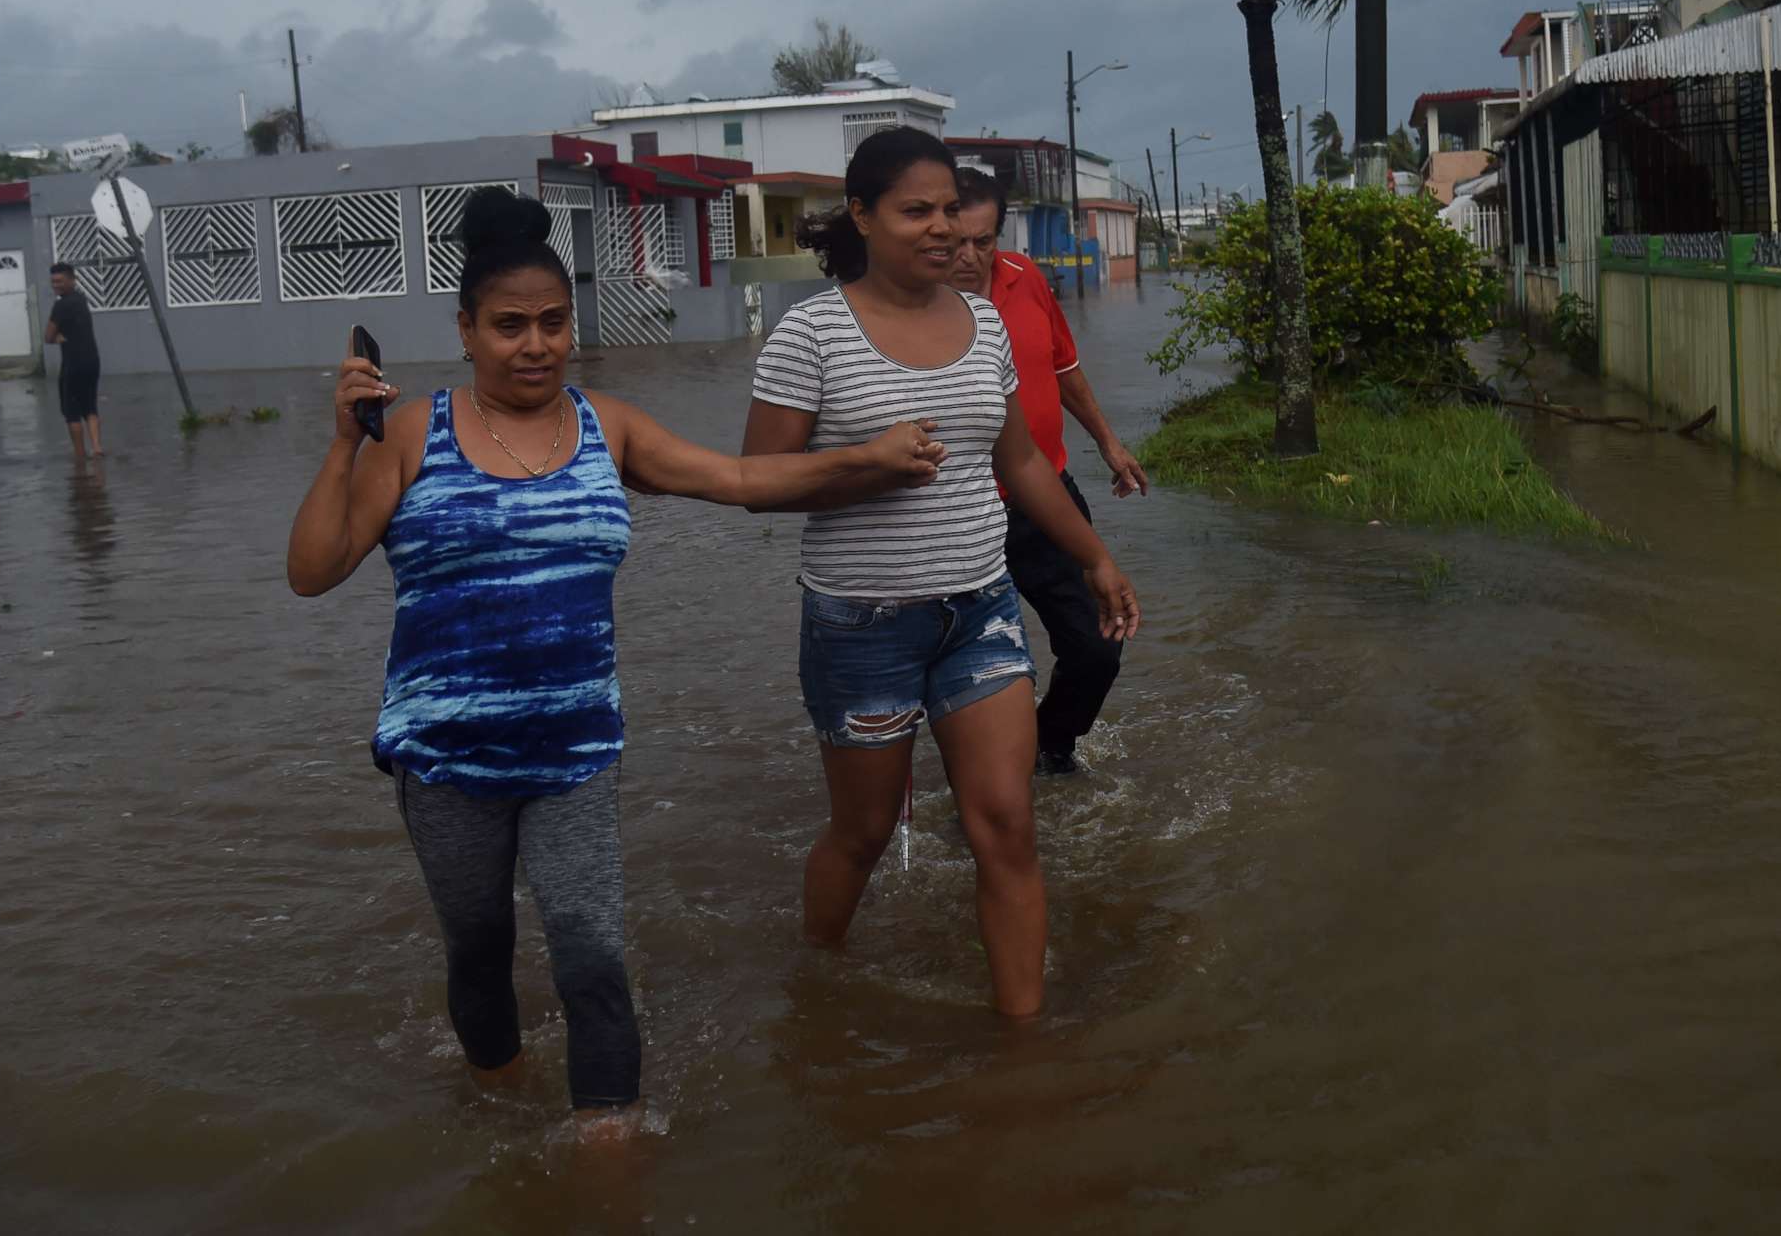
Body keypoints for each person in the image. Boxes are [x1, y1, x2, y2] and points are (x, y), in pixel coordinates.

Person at [284, 190, 947, 1130]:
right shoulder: (407, 432)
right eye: (509, 326)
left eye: (553, 323)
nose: (535, 345)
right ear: (465, 330)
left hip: (577, 753)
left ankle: (609, 1145)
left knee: (592, 948)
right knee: (477, 945)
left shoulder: (609, 427)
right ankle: (498, 1101)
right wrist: (341, 445)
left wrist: (868, 458)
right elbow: (312, 572)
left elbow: (744, 477)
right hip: (446, 758)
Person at [742, 127, 1141, 1019]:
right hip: (862, 626)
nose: (938, 227)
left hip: (980, 612)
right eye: (914, 210)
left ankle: (1022, 1047)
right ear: (862, 215)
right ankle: (819, 981)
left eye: (948, 209)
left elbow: (1026, 461)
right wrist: (865, 463)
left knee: (1007, 825)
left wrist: (1096, 557)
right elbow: (756, 483)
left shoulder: (986, 320)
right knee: (864, 833)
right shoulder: (812, 332)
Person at [948, 166, 1148, 776]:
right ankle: (988, 785)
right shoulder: (916, 306)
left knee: (1097, 645)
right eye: (955, 241)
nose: (969, 257)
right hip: (959, 515)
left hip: (1045, 501)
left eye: (983, 241)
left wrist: (1109, 445)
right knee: (981, 670)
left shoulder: (1025, 278)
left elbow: (1063, 367)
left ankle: (1047, 751)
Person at [45, 263, 103, 459]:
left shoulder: (61, 305)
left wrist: (58, 337)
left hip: (73, 363)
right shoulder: (81, 299)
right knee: (90, 406)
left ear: (72, 280)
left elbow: (48, 336)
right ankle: (97, 449)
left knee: (71, 412)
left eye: (60, 281)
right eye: (53, 281)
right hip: (92, 361)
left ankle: (80, 456)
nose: (56, 285)